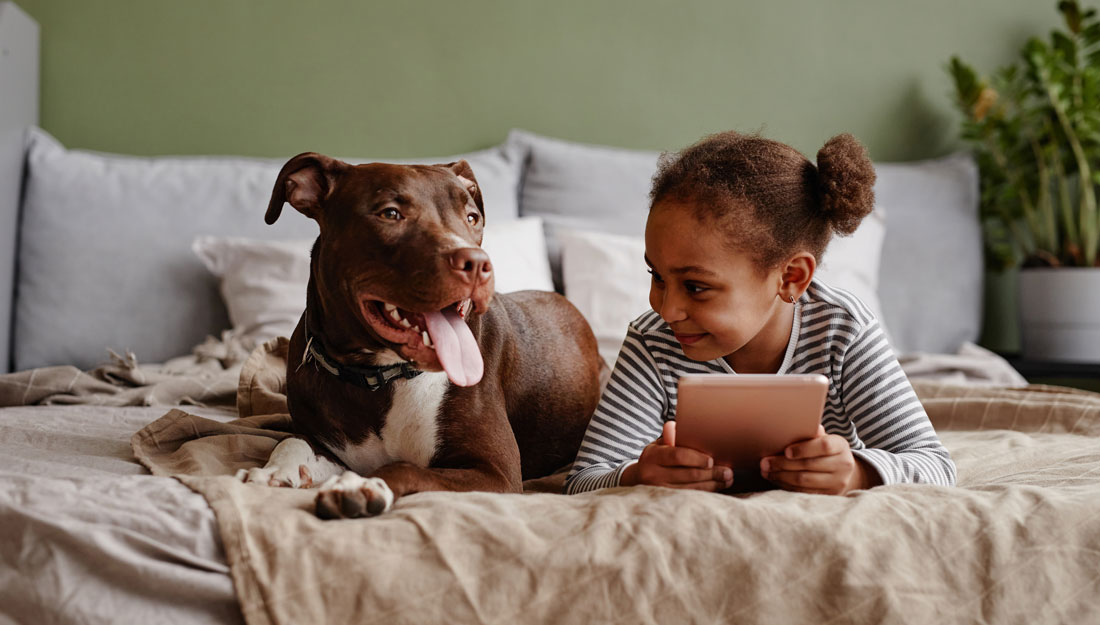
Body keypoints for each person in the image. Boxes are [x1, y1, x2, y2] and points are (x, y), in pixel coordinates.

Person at [564, 131, 956, 496]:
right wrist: (636, 475)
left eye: (696, 287)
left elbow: (935, 464)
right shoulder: (652, 343)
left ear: (791, 277)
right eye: (657, 276)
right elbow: (583, 480)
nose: (666, 310)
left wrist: (858, 472)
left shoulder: (843, 330)